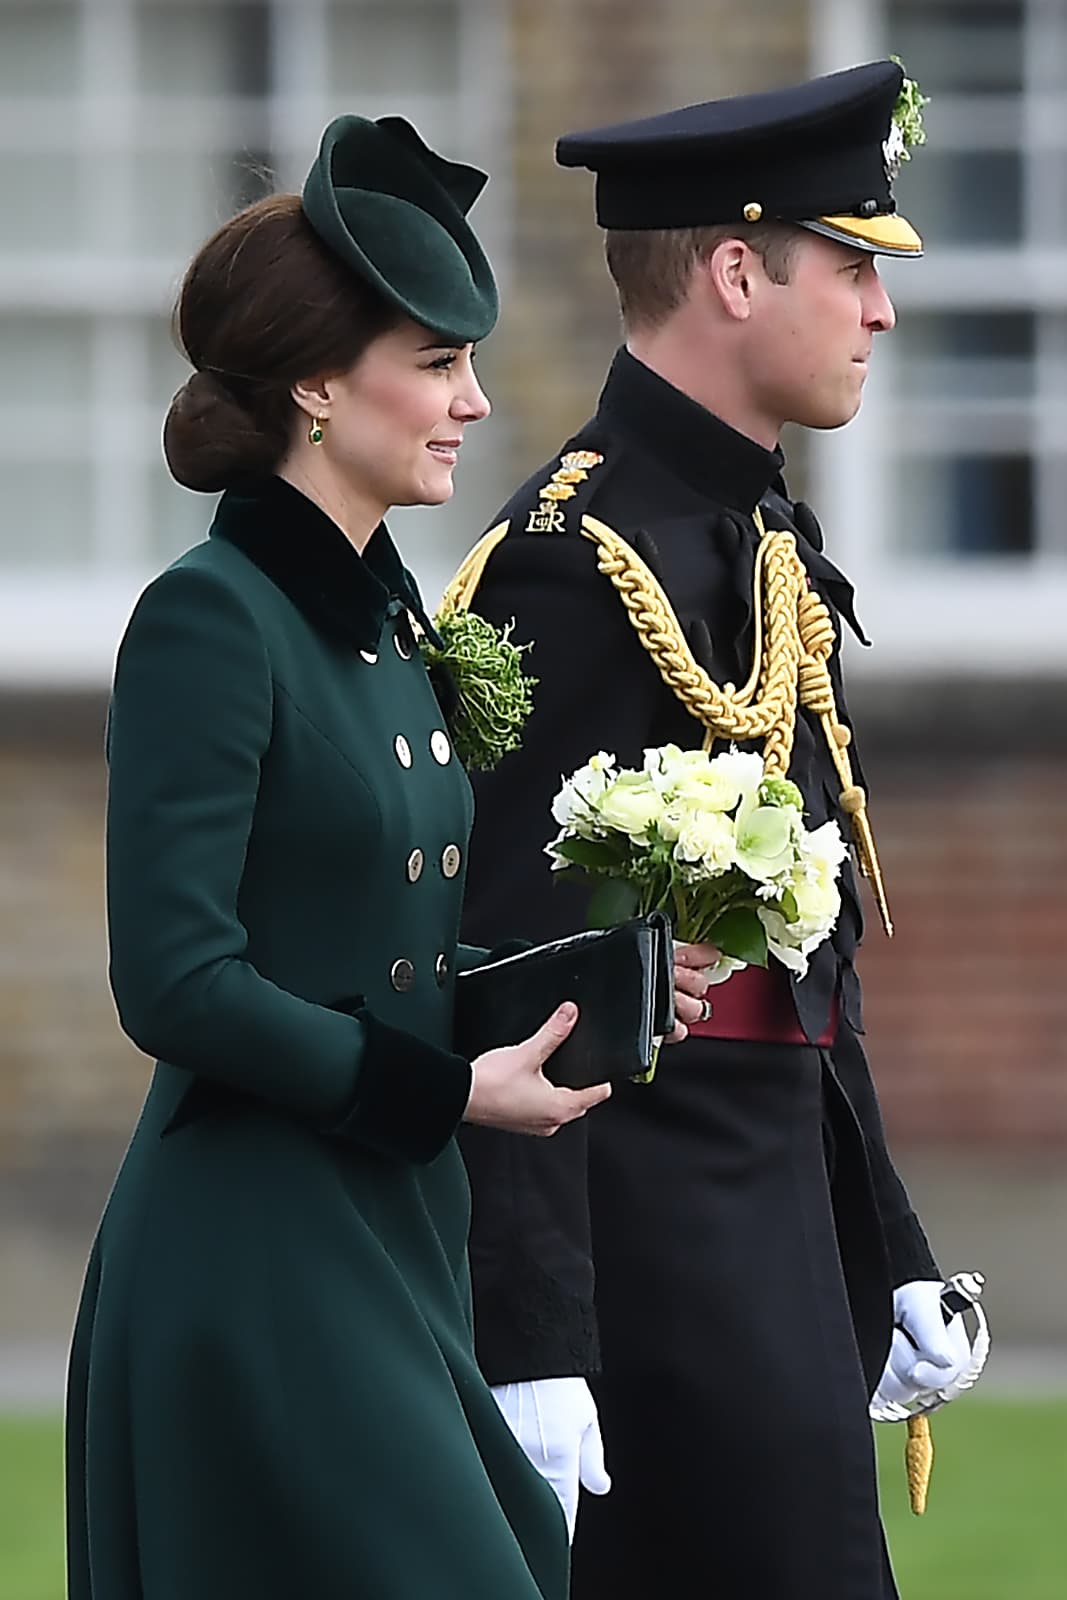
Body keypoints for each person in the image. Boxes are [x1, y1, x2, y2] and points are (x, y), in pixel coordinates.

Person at [64, 112, 713, 1600]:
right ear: (312, 386)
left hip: (392, 1229)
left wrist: (590, 985)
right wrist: (441, 1089)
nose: (476, 404)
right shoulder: (212, 618)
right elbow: (174, 979)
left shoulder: (386, 620)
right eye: (437, 363)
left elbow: (390, 942)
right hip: (255, 1249)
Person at [457, 61, 980, 1598]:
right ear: (739, 272)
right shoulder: (575, 557)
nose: (881, 311)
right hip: (654, 1253)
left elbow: (810, 944)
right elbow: (511, 968)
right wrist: (535, 1331)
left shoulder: (757, 536)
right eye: (852, 266)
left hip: (771, 1228)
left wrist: (878, 1238)